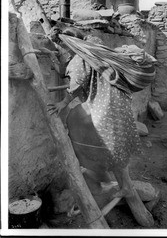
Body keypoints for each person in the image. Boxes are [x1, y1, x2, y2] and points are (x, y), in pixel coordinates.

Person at [47, 32, 155, 197]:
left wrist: (62, 103)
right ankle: (122, 185)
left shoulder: (80, 60)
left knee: (102, 141)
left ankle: (101, 175)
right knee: (117, 144)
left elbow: (76, 84)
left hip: (105, 106)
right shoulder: (97, 51)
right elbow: (64, 70)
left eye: (61, 49)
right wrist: (51, 56)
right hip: (121, 103)